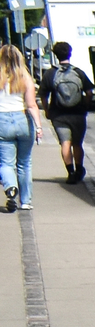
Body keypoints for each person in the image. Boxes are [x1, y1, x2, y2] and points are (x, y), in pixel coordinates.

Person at [40, 40, 92, 183]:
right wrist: (85, 106)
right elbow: (89, 92)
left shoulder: (51, 73)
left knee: (65, 143)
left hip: (59, 114)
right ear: (70, 53)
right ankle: (80, 168)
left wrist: (47, 110)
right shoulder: (78, 72)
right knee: (77, 143)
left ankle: (70, 172)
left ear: (55, 55)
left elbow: (43, 95)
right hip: (77, 114)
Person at [0, 44, 39, 212]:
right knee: (24, 163)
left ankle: (10, 187)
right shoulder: (25, 78)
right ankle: (26, 201)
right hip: (22, 120)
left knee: (6, 163)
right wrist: (38, 127)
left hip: (2, 121)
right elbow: (31, 105)